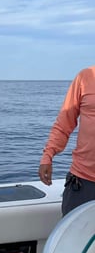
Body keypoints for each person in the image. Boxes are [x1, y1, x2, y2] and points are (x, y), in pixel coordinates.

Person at [39, 66, 95, 216]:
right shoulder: (85, 77)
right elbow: (64, 123)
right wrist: (48, 155)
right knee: (75, 238)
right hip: (84, 182)